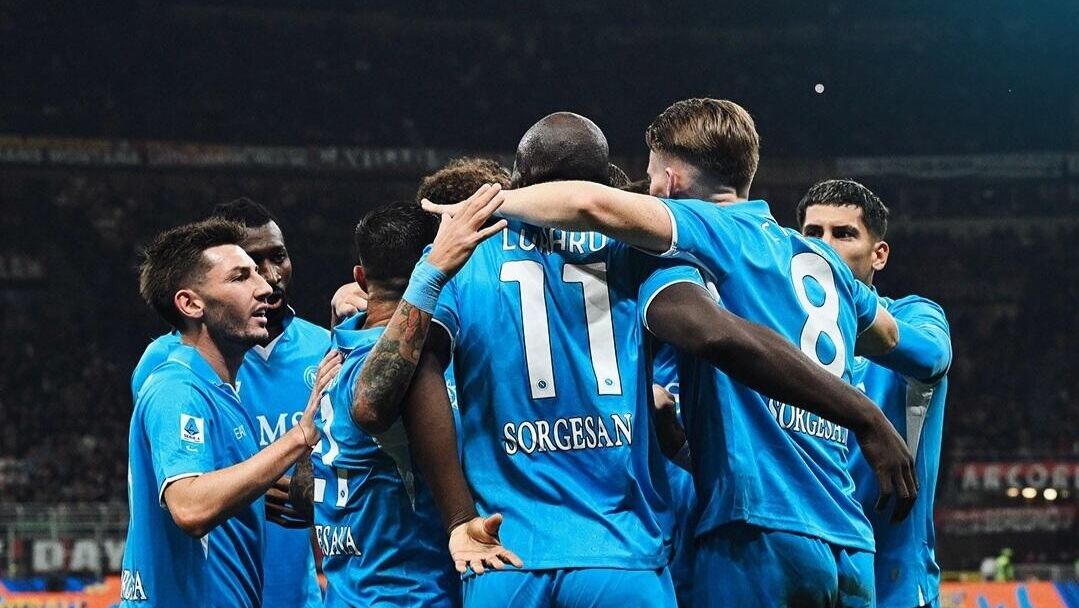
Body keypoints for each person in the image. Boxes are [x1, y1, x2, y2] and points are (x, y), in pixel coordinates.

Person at [424, 99, 919, 607]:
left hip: (757, 522)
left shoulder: (696, 231)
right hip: (847, 529)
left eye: (652, 176)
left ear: (671, 180)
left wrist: (482, 206)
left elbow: (593, 206)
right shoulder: (820, 261)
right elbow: (894, 338)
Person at [294, 193, 518, 607]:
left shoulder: (338, 350)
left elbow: (308, 491)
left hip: (350, 595)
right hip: (408, 595)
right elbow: (371, 406)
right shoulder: (400, 368)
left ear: (361, 278)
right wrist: (432, 275)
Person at [121, 218, 340, 607]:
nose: (265, 287)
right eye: (241, 277)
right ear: (191, 304)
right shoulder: (178, 387)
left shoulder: (222, 392)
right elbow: (190, 507)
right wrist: (301, 436)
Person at [799, 179, 952, 608]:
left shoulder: (915, 314)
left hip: (893, 587)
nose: (825, 247)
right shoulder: (782, 336)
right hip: (807, 580)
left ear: (878, 254)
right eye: (813, 234)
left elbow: (933, 356)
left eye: (844, 234)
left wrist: (844, 303)